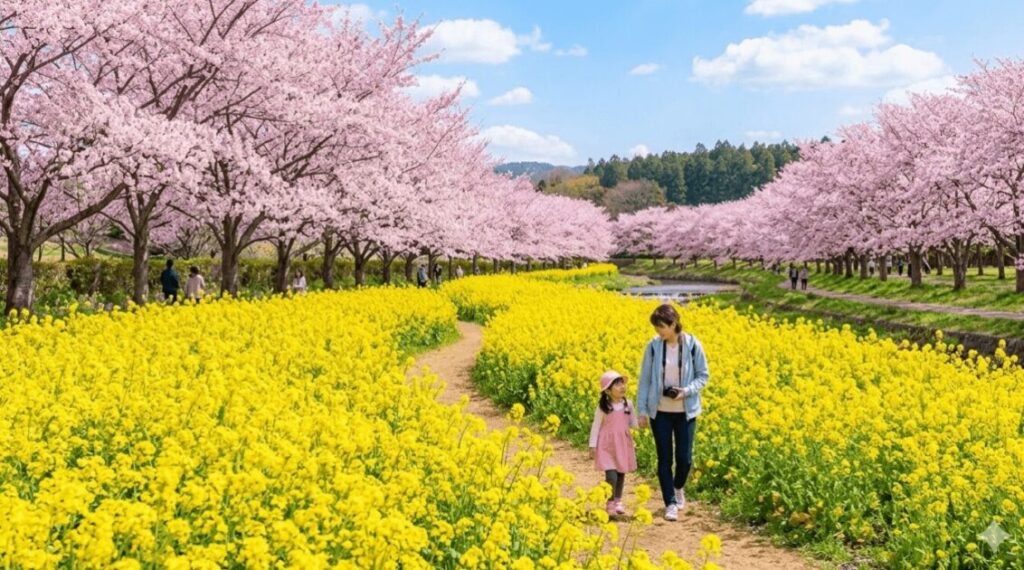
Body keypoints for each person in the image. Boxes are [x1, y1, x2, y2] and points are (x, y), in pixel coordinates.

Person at [637, 304, 710, 522]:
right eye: (657, 327)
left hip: (685, 411)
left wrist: (685, 391)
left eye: (662, 327)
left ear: (674, 323)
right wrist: (642, 410)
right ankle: (669, 502)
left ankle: (679, 487)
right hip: (659, 411)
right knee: (664, 458)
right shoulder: (652, 347)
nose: (659, 331)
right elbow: (645, 380)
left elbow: (703, 376)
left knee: (685, 459)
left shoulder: (693, 345)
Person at [589, 370, 638, 517]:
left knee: (621, 473)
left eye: (622, 383)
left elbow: (633, 423)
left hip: (622, 443)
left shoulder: (628, 404)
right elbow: (595, 426)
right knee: (611, 476)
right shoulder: (603, 407)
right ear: (608, 391)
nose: (622, 386)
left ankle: (618, 500)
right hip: (607, 445)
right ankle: (609, 502)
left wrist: (644, 420)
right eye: (617, 384)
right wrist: (592, 446)